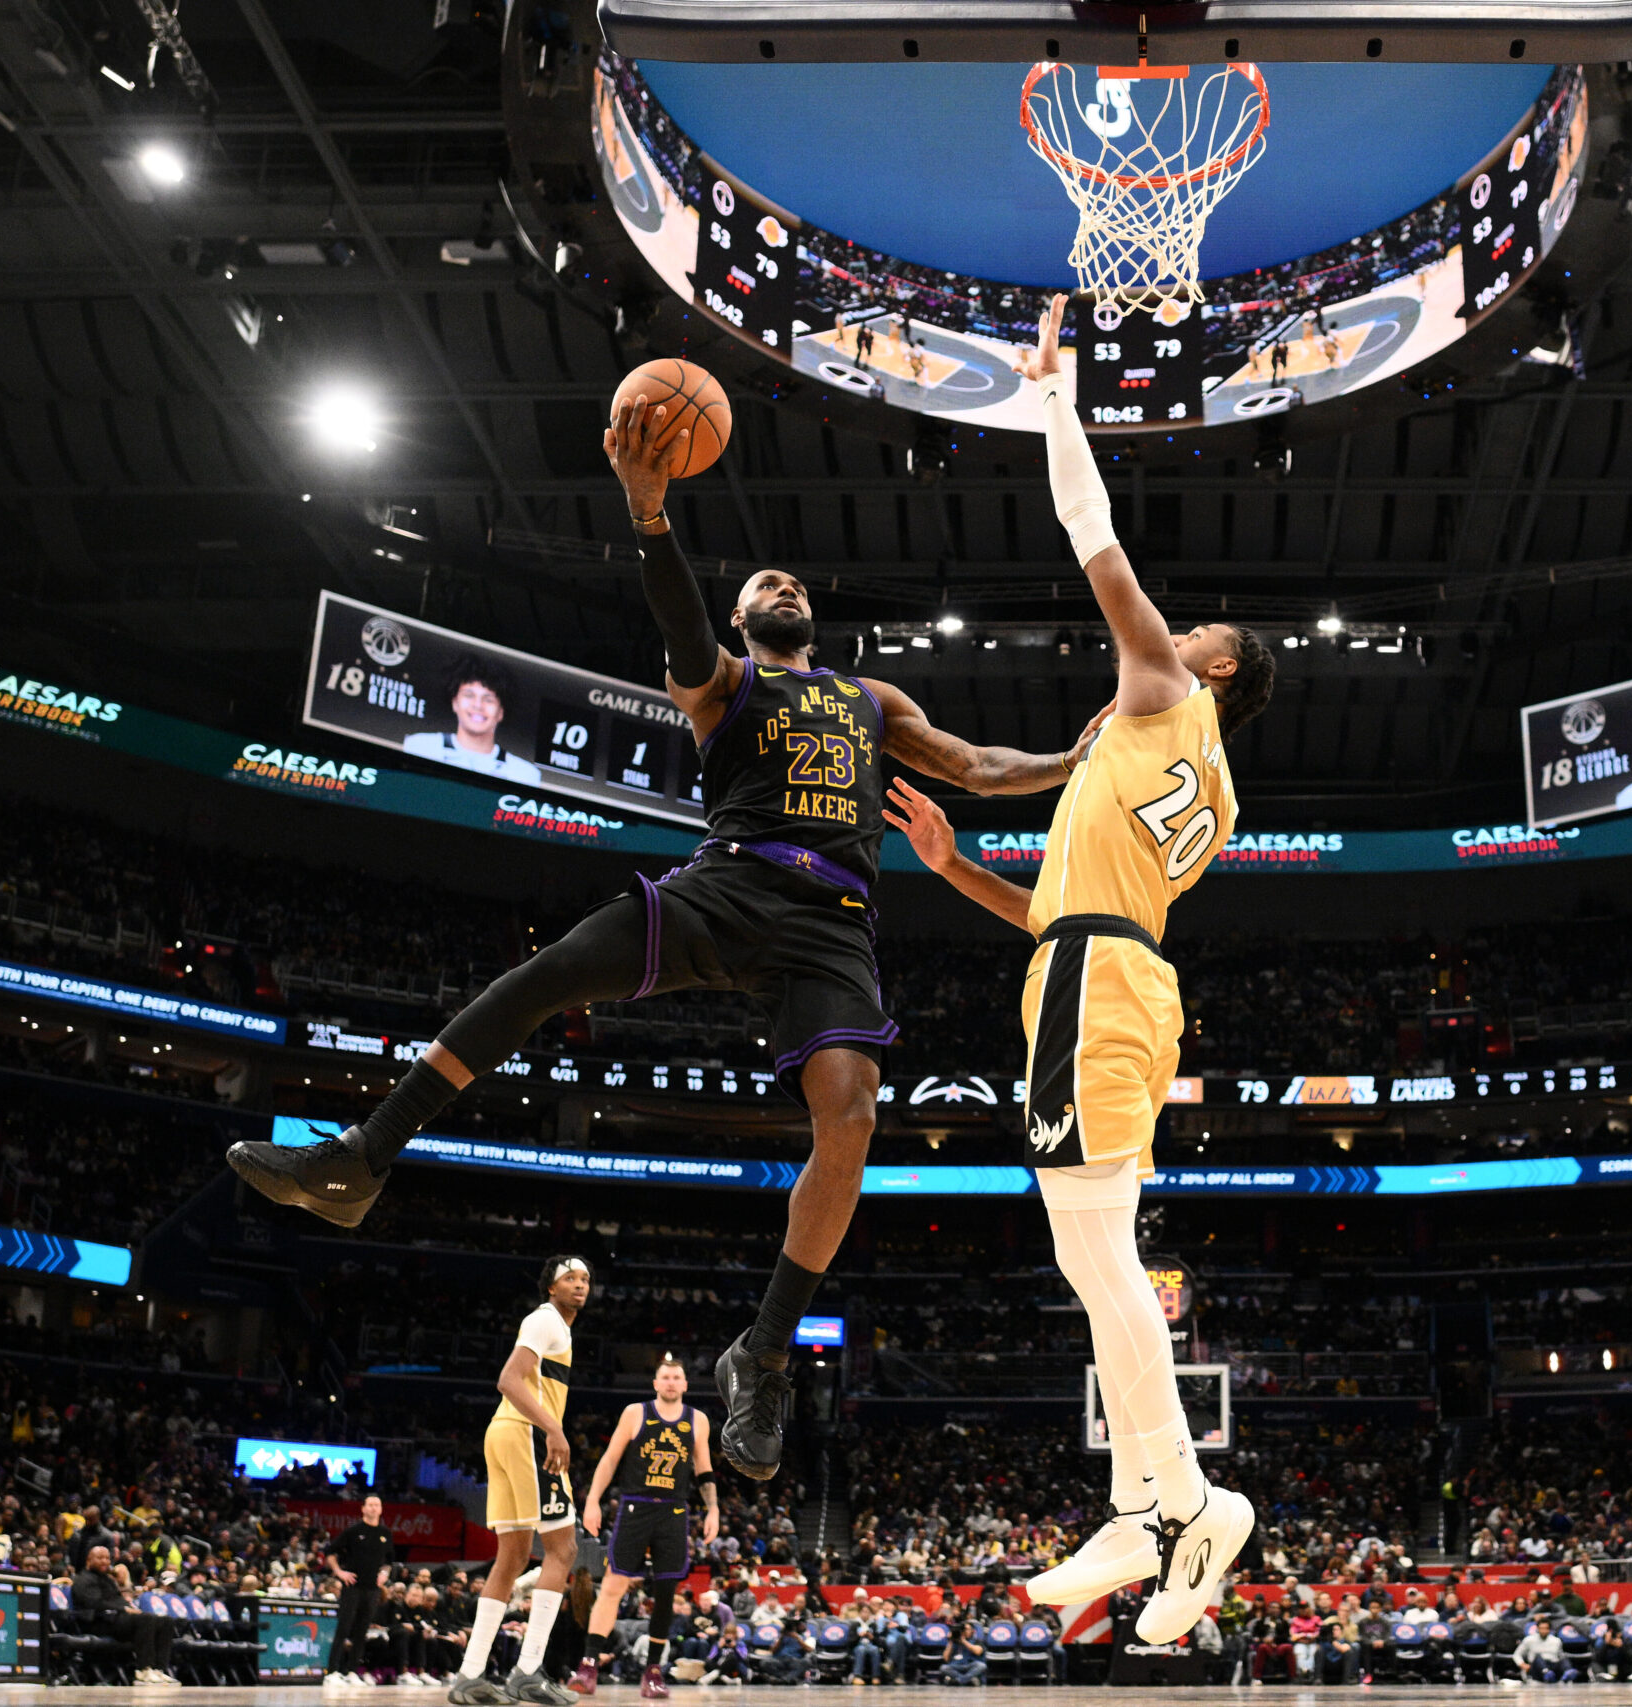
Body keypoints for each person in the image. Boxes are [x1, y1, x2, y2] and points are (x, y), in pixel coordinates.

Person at [226, 388, 1094, 1485]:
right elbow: (679, 626)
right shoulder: (722, 682)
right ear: (742, 622)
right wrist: (650, 518)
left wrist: (1067, 762)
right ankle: (362, 1157)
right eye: (757, 584)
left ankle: (763, 1351)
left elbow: (973, 767)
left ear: (809, 616)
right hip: (725, 885)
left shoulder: (870, 700)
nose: (777, 582)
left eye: (788, 580)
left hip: (831, 920)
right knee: (545, 976)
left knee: (852, 1116)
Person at [891, 292, 1274, 1648]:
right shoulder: (1188, 789)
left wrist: (1056, 403)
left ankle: (1186, 1504)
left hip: (1099, 994)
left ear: (1210, 666)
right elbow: (1067, 914)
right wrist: (952, 870)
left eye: (1188, 634)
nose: (1161, 637)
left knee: (1099, 1255)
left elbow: (1091, 536)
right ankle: (1140, 1503)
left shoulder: (1169, 694)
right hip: (1092, 977)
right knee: (1085, 1249)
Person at [450, 1258, 590, 1706]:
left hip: (506, 1432)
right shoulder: (545, 1320)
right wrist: (553, 1428)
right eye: (570, 1278)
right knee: (563, 1548)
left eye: (586, 1279)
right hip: (525, 1433)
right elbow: (508, 1379)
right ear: (551, 1286)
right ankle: (528, 1670)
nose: (580, 1285)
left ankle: (470, 1674)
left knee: (510, 1558)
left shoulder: (554, 1326)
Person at [575, 1355, 718, 1700]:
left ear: (685, 1384)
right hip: (635, 1507)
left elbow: (705, 1470)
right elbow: (609, 1459)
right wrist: (592, 1500)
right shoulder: (634, 1412)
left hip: (674, 1511)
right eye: (665, 1377)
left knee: (666, 1594)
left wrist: (713, 1508)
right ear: (655, 1383)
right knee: (613, 1585)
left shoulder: (698, 1420)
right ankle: (588, 1665)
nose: (670, 1382)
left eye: (676, 1377)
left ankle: (653, 1671)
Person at [402, 653, 544, 783]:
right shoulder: (419, 746)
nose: (478, 705)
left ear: (501, 712)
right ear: (454, 702)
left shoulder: (524, 774)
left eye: (488, 699)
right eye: (469, 695)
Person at [74, 1542, 180, 1687]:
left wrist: (129, 1608)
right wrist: (124, 1610)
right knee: (146, 1619)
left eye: (107, 1558)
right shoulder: (83, 1579)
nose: (105, 1561)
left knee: (166, 1621)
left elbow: (118, 1600)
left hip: (116, 1619)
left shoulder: (107, 1579)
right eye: (100, 1558)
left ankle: (158, 1669)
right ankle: (143, 1670)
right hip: (97, 1621)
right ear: (89, 1560)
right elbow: (95, 1604)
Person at [325, 1492, 397, 1692]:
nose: (374, 1508)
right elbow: (330, 1552)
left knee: (361, 1631)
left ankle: (352, 1671)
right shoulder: (354, 1531)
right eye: (370, 1505)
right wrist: (339, 1572)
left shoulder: (385, 1533)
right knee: (344, 1628)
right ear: (363, 1508)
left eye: (377, 1504)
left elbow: (389, 1562)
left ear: (381, 1509)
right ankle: (332, 1672)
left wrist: (384, 1573)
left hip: (372, 1589)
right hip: (353, 1587)